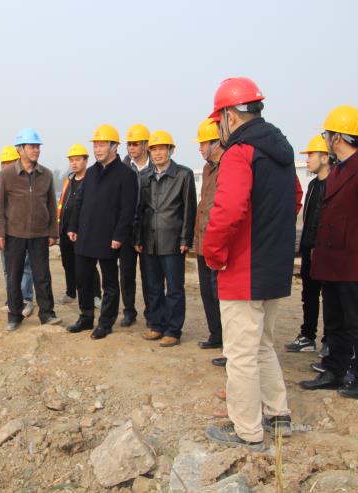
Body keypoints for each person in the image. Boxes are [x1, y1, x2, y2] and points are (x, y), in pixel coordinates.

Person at [203, 77, 294, 450]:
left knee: (240, 354)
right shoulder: (281, 150)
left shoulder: (240, 153)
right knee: (262, 345)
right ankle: (278, 414)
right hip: (273, 267)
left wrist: (213, 252)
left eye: (219, 122)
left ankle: (247, 430)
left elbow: (227, 211)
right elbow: (295, 199)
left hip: (244, 270)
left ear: (229, 116)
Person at [300, 106, 358, 401]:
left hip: (355, 262)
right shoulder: (339, 170)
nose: (326, 139)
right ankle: (334, 371)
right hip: (334, 263)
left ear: (338, 137)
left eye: (327, 134)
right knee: (335, 322)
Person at [66, 124, 138, 340]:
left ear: (114, 146)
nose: (97, 150)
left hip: (109, 238)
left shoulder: (126, 175)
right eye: (95, 146)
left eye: (102, 145)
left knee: (110, 284)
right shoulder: (90, 172)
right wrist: (73, 226)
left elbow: (128, 210)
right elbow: (79, 202)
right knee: (83, 279)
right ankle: (86, 317)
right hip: (85, 236)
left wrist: (119, 236)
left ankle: (105, 323)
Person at [0, 128, 61, 331]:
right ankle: (14, 315)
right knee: (13, 277)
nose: (36, 150)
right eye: (32, 146)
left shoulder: (46, 175)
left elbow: (51, 205)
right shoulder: (7, 175)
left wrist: (53, 232)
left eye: (38, 146)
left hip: (39, 235)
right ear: (20, 149)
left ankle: (47, 314)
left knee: (42, 276)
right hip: (14, 235)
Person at [137, 130, 196, 347]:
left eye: (162, 148)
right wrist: (138, 237)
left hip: (172, 241)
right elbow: (140, 209)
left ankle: (173, 330)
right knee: (152, 287)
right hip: (149, 240)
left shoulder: (183, 175)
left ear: (171, 150)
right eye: (154, 149)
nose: (158, 153)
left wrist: (185, 239)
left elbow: (189, 209)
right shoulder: (145, 177)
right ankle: (156, 325)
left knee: (174, 288)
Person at [285, 135, 330, 354]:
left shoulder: (335, 184)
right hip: (308, 249)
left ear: (325, 157)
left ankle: (330, 341)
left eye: (311, 154)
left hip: (326, 252)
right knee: (309, 295)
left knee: (330, 299)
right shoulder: (312, 185)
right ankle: (307, 336)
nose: (308, 159)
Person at [0, 145, 35, 318]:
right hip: (3, 232)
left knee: (26, 267)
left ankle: (26, 299)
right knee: (8, 268)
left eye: (10, 163)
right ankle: (12, 299)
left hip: (21, 231)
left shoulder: (26, 179)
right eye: (3, 163)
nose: (6, 166)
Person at [58, 144, 102, 308]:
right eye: (71, 160)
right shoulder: (68, 181)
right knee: (67, 264)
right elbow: (62, 204)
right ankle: (71, 292)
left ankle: (96, 295)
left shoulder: (91, 181)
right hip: (65, 231)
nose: (74, 163)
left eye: (77, 160)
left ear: (85, 160)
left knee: (88, 266)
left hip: (83, 232)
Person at [193, 119, 224, 351]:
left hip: (219, 243)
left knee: (220, 293)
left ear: (216, 143)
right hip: (203, 242)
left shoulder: (229, 166)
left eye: (203, 143)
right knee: (207, 292)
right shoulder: (207, 169)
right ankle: (216, 335)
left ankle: (228, 341)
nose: (200, 148)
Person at [119, 124, 151, 327]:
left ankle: (151, 312)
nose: (131, 147)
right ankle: (129, 311)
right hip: (127, 229)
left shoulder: (155, 167)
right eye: (129, 144)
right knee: (126, 274)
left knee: (149, 275)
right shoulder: (123, 168)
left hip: (148, 230)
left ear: (146, 145)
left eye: (135, 144)